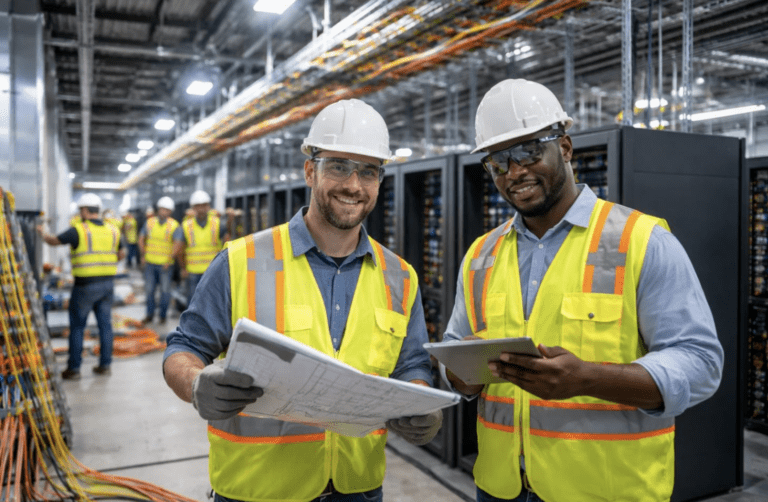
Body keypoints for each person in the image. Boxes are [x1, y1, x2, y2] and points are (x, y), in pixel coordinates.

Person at [441, 79, 724, 502]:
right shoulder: (482, 254)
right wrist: (461, 374)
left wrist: (587, 378)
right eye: (498, 162)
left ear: (566, 148)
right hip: (500, 489)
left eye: (530, 151)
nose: (515, 172)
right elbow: (454, 356)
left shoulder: (640, 240)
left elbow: (701, 364)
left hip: (606, 489)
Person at [162, 99, 442, 502]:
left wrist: (421, 399)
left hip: (358, 489)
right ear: (310, 171)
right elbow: (184, 347)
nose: (353, 185)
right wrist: (194, 384)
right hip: (256, 489)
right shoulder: (241, 260)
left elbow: (411, 363)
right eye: (339, 166)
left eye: (368, 171)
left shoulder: (400, 276)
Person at [37, 193, 124, 379]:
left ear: (85, 210)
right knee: (105, 326)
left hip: (85, 286)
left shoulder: (79, 230)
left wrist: (41, 232)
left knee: (77, 327)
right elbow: (122, 253)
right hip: (108, 285)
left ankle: (74, 369)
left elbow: (53, 241)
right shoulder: (114, 230)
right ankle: (105, 365)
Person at [172, 190, 229, 305]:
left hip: (213, 271)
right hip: (192, 272)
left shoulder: (218, 223)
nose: (201, 209)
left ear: (208, 206)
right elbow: (179, 250)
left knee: (213, 303)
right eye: (198, 206)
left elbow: (228, 246)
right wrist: (183, 268)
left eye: (204, 206)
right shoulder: (186, 226)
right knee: (194, 303)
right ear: (193, 208)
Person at [139, 196, 179, 325]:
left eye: (167, 210)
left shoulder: (174, 225)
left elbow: (177, 244)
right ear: (158, 210)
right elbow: (141, 238)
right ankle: (149, 315)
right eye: (162, 209)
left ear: (170, 212)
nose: (164, 212)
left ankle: (162, 316)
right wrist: (143, 255)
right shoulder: (149, 222)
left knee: (165, 291)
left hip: (165, 265)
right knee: (149, 291)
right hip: (150, 263)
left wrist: (169, 260)